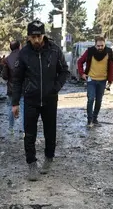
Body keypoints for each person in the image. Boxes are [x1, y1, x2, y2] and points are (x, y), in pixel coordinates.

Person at [11, 20, 70, 181]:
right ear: (28, 37)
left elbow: (64, 71)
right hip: (31, 99)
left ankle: (49, 159)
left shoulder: (54, 51)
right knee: (29, 133)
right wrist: (15, 102)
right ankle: (31, 164)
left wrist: (55, 87)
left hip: (50, 99)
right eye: (33, 37)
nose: (36, 40)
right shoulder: (23, 54)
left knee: (50, 131)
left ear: (44, 35)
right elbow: (17, 79)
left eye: (39, 36)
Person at [77, 36, 113, 127]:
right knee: (90, 99)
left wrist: (110, 79)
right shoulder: (90, 51)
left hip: (102, 81)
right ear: (95, 45)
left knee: (99, 101)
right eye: (98, 46)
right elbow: (80, 62)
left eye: (102, 45)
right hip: (91, 80)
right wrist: (82, 74)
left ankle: (95, 119)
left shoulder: (109, 52)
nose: (100, 47)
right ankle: (89, 121)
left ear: (104, 44)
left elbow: (111, 66)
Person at [2, 40, 24, 134]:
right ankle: (24, 130)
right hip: (24, 88)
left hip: (11, 88)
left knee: (11, 107)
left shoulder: (7, 59)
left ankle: (11, 129)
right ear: (19, 46)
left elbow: (5, 76)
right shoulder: (24, 57)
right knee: (24, 109)